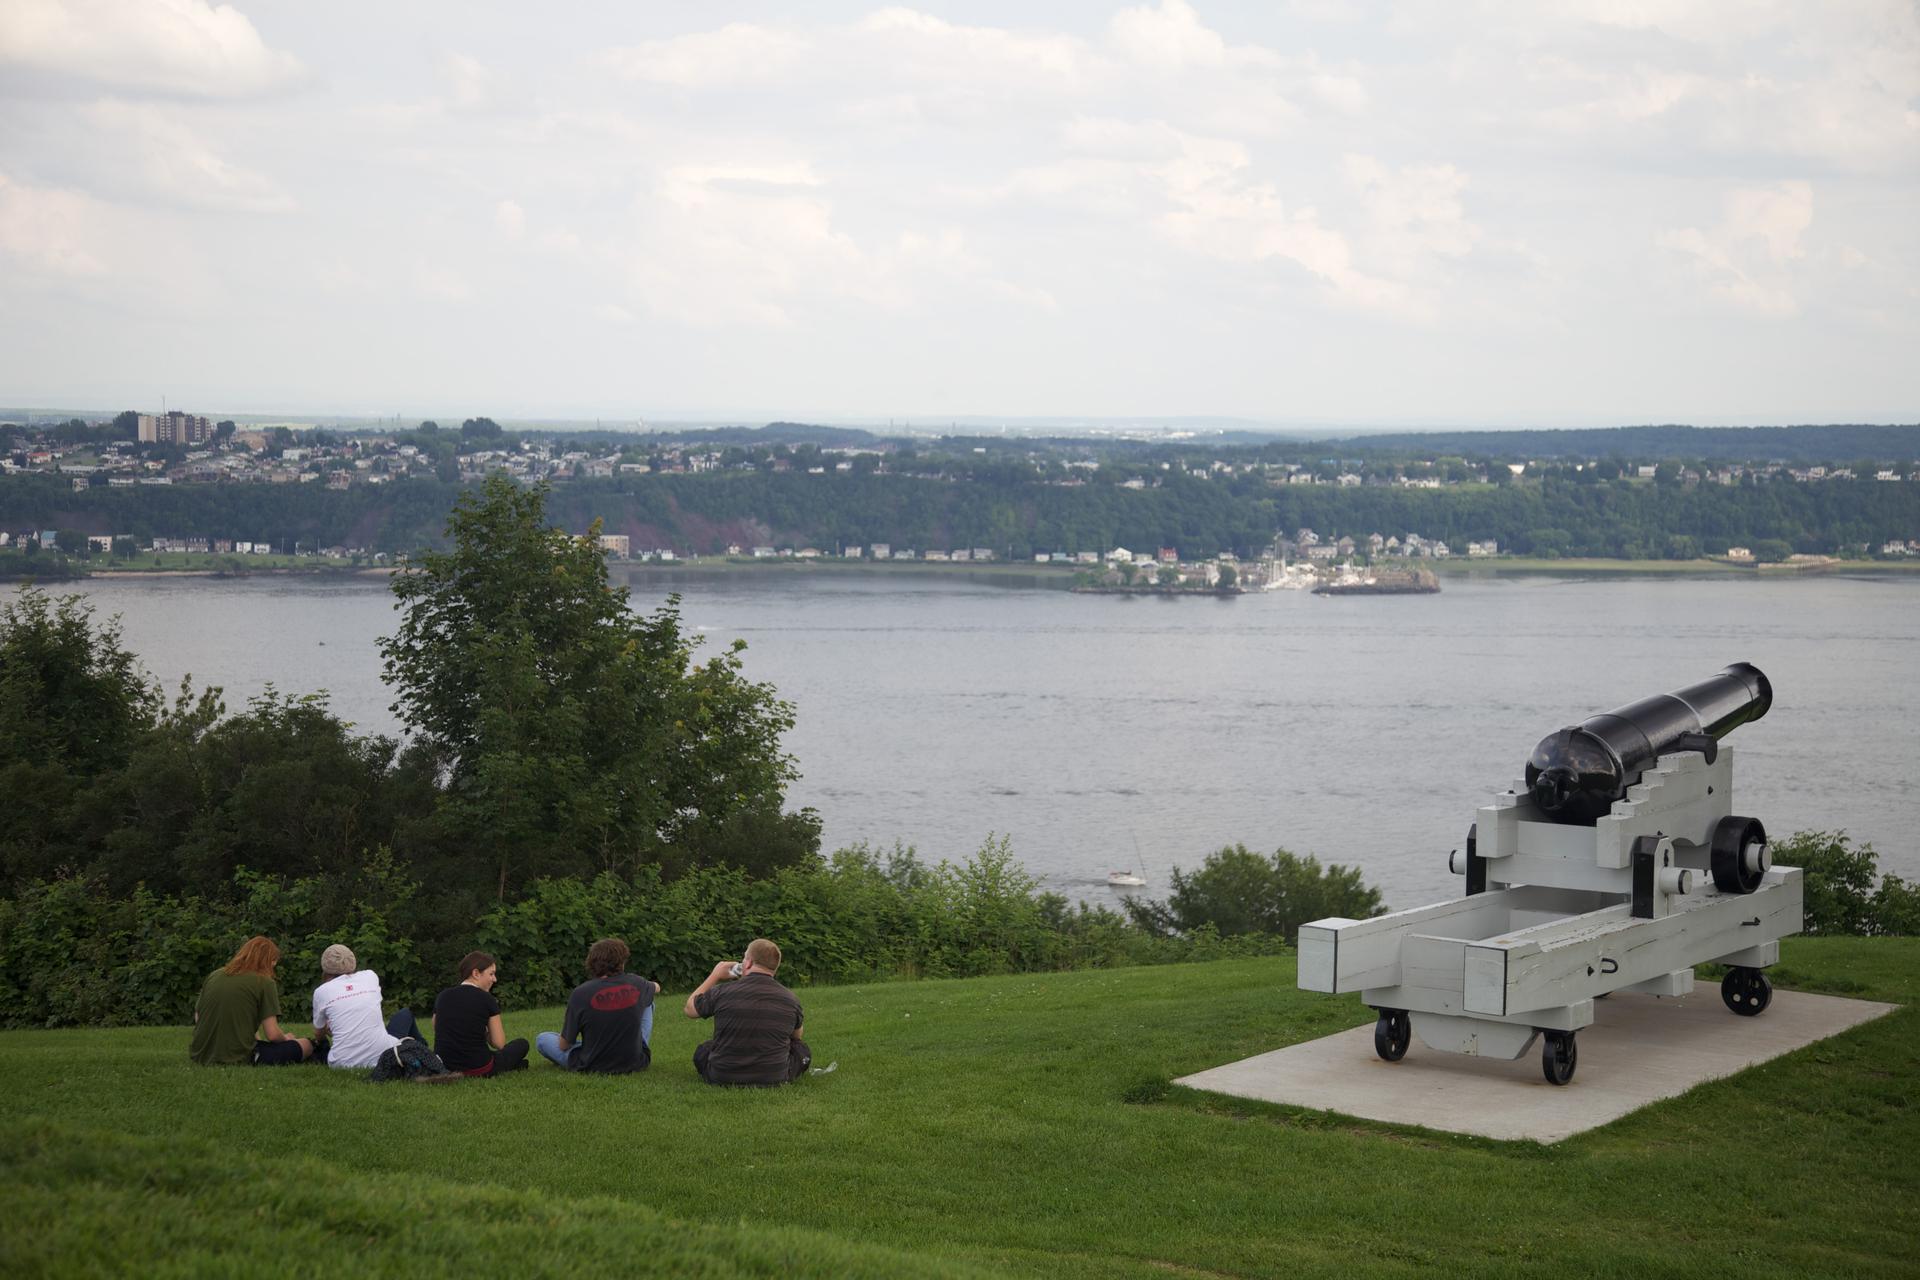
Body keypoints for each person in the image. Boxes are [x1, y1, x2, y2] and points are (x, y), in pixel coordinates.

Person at [684, 937, 811, 1086]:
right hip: (775, 1076)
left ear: (749, 962)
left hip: (721, 1075)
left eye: (744, 958)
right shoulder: (790, 999)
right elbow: (796, 1037)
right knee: (801, 1049)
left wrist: (715, 975)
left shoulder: (723, 992)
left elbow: (690, 1009)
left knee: (705, 1049)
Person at [188, 935, 317, 1066]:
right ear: (268, 961)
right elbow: (272, 1034)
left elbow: (199, 1016)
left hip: (201, 1054)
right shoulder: (264, 982)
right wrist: (286, 1038)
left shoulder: (215, 975)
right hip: (237, 1056)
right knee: (307, 1044)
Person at [535, 938, 658, 1074]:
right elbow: (656, 987)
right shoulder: (637, 982)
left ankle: (596, 1047)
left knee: (543, 1039)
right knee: (648, 998)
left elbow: (564, 1045)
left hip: (591, 1064)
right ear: (621, 963)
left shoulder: (580, 993)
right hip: (635, 1061)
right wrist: (649, 986)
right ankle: (632, 1047)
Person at [311, 943, 425, 1070]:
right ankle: (425, 1051)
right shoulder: (370, 976)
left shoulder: (321, 991)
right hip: (383, 1055)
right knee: (405, 1013)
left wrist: (329, 1030)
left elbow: (318, 1034)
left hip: (340, 1063)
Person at [432, 950, 530, 1077]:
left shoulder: (443, 996)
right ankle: (515, 1065)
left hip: (445, 1066)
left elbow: (436, 1027)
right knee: (522, 1044)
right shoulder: (486, 998)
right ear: (476, 973)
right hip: (478, 1067)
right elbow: (498, 1043)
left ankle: (518, 1065)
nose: (495, 979)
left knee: (512, 1060)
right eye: (491, 974)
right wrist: (483, 1032)